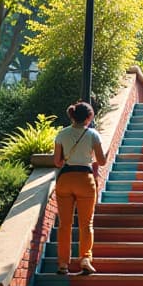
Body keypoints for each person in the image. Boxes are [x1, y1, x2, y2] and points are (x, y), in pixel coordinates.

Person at [53, 101, 107, 276]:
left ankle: (63, 264)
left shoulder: (61, 134)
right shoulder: (92, 134)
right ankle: (85, 258)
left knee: (64, 225)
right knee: (86, 223)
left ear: (73, 116)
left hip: (66, 179)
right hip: (85, 179)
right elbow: (102, 161)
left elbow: (57, 162)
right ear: (89, 117)